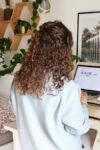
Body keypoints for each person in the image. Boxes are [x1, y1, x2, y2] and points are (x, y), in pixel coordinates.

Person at [10, 21, 90, 150]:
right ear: (64, 51)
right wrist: (83, 104)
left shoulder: (18, 81)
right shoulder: (67, 88)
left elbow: (18, 112)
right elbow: (79, 128)